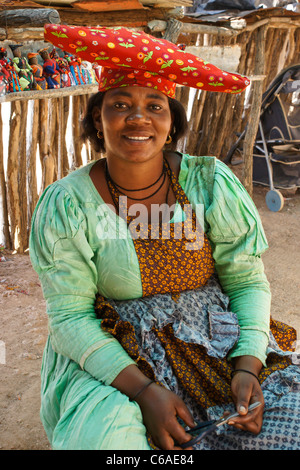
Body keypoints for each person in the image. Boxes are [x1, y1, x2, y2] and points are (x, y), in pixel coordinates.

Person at [29, 24, 300, 451]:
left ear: (171, 124)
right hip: (111, 349)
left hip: (210, 337)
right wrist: (144, 392)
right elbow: (70, 318)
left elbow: (246, 279)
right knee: (109, 442)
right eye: (120, 104)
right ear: (97, 121)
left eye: (154, 106)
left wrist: (248, 363)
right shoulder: (68, 205)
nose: (138, 117)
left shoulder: (210, 184)